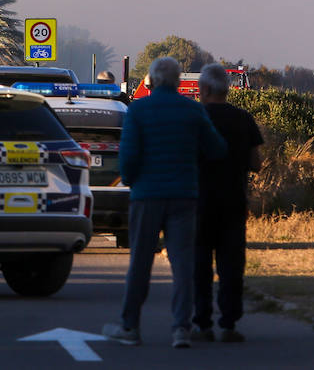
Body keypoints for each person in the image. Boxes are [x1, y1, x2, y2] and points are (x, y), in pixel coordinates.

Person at [103, 56, 226, 349]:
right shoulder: (193, 110)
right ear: (179, 81)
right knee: (183, 264)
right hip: (184, 194)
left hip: (147, 195)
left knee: (140, 262)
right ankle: (181, 328)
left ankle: (130, 326)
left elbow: (129, 156)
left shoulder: (139, 110)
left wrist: (132, 180)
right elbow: (217, 149)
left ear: (152, 80)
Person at [191, 63, 264, 342]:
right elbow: (256, 163)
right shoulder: (243, 118)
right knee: (231, 265)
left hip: (199, 202)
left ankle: (202, 323)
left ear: (205, 89)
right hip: (234, 201)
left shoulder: (195, 117)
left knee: (200, 264)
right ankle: (230, 323)